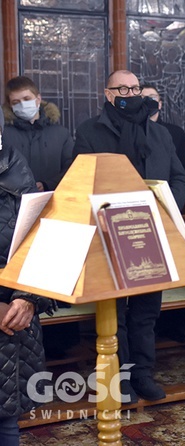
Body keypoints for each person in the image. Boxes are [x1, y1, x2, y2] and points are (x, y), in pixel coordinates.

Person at [73, 70, 185, 402]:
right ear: (108, 94)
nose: (130, 92)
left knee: (146, 311)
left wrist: (167, 207)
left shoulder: (160, 134)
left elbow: (178, 177)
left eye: (135, 88)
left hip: (152, 232)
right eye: (122, 88)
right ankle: (119, 377)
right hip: (108, 236)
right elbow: (79, 181)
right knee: (115, 314)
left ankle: (143, 374)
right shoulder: (89, 133)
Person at [0, 107, 55, 445]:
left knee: (7, 415)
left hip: (15, 310)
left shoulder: (13, 161)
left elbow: (36, 235)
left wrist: (28, 297)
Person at [141, 83, 185, 344]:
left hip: (166, 213)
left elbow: (181, 173)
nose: (150, 102)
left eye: (154, 98)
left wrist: (170, 206)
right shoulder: (130, 132)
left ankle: (172, 327)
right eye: (145, 97)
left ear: (161, 103)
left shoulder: (170, 133)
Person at [2, 75, 74, 192]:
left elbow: (72, 167)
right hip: (12, 204)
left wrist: (47, 184)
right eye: (16, 102)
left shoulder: (61, 134)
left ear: (38, 99)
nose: (22, 104)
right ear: (10, 105)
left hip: (53, 199)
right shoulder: (4, 134)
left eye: (26, 99)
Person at [142, 84, 185, 187]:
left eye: (152, 97)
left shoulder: (175, 133)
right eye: (143, 98)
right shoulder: (133, 131)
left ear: (160, 104)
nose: (148, 101)